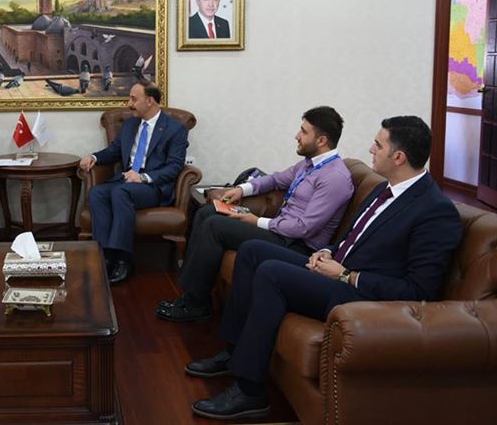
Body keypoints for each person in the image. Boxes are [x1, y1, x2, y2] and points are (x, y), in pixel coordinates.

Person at [187, 116, 463, 420]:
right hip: (337, 270)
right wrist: (326, 252)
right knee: (253, 251)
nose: (370, 149)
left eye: (378, 144)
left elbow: (419, 290)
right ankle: (234, 352)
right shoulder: (383, 189)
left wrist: (346, 275)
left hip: (364, 298)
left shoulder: (434, 211)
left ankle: (250, 391)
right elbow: (351, 238)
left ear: (399, 157)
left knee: (272, 273)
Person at [157, 107, 354, 323]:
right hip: (280, 230)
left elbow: (303, 228)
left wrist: (257, 221)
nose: (297, 135)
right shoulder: (309, 164)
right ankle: (192, 295)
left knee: (214, 226)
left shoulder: (334, 177)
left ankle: (195, 304)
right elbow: (275, 179)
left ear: (321, 140)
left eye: (304, 131)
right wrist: (241, 190)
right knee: (207, 211)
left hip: (296, 244)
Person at [79, 80, 188, 284]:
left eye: (133, 99)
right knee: (97, 193)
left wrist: (143, 177)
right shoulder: (130, 125)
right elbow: (114, 151)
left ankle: (124, 261)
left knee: (121, 192)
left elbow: (174, 167)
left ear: (150, 101)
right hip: (126, 180)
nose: (129, 104)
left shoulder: (175, 129)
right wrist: (93, 157)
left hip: (152, 186)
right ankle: (105, 256)